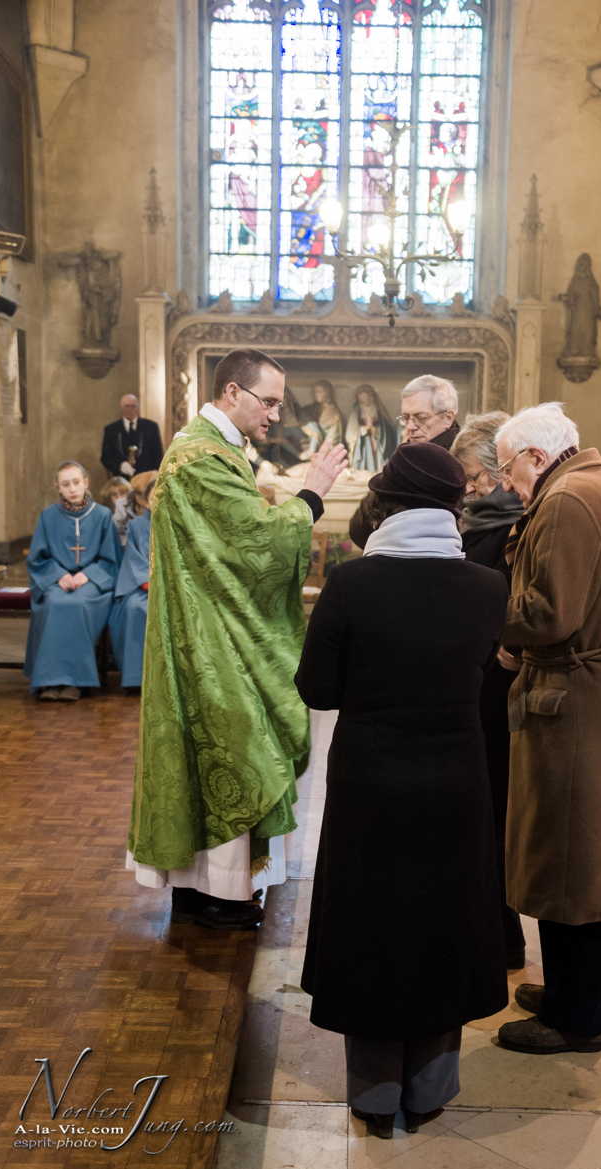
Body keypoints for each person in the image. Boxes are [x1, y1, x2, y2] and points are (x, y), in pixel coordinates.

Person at [296, 442, 509, 1139]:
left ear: (384, 504)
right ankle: (431, 1085)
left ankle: (377, 1090)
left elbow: (318, 688)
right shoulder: (485, 587)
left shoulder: (354, 584)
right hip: (456, 780)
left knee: (374, 924)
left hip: (371, 781)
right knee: (445, 920)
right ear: (454, 509)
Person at [127, 348, 347, 930]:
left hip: (213, 628)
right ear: (231, 393)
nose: (276, 414)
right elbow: (255, 542)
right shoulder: (202, 457)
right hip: (212, 641)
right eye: (269, 400)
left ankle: (206, 891)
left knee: (218, 757)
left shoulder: (215, 450)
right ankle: (218, 894)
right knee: (238, 751)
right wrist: (313, 494)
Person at [493, 402, 601, 1055]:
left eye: (508, 470)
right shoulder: (592, 486)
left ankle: (579, 1018)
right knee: (577, 856)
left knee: (574, 858)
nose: (507, 484)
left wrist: (488, 611)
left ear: (536, 456)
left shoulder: (566, 500)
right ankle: (568, 991)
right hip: (599, 699)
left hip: (582, 705)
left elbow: (547, 614)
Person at [452, 413, 526, 970]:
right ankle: (489, 933)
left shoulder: (516, 526)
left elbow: (520, 599)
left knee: (495, 811)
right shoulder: (481, 521)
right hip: (476, 680)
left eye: (476, 476)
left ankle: (502, 938)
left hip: (500, 686)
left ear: (503, 472)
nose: (472, 487)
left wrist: (509, 641)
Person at [24, 460, 120, 702]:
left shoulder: (102, 516)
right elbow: (38, 559)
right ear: (58, 487)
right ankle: (49, 681)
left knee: (76, 604)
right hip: (57, 582)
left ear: (86, 483)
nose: (72, 489)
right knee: (55, 603)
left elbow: (111, 560)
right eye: (66, 484)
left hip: (93, 584)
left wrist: (86, 575)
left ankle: (74, 682)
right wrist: (60, 575)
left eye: (76, 482)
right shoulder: (47, 517)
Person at [348, 375, 460, 548]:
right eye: (406, 418)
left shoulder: (462, 459)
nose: (410, 426)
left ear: (448, 418)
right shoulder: (406, 458)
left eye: (420, 417)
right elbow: (359, 528)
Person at [109, 479, 156, 693]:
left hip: (173, 589)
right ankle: (136, 679)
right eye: (155, 495)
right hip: (142, 587)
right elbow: (134, 559)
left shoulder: (181, 526)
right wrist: (149, 583)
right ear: (146, 501)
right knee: (136, 609)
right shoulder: (137, 525)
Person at [100, 394, 164, 478]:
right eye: (127, 406)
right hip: (121, 479)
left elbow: (158, 455)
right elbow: (106, 458)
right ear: (121, 407)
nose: (130, 409)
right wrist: (120, 465)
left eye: (133, 406)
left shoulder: (151, 427)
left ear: (137, 407)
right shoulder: (111, 429)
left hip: (146, 478)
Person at [344, 385, 398, 472]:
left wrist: (375, 430)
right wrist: (363, 430)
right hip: (362, 442)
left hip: (376, 440)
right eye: (362, 396)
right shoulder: (356, 411)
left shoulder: (378, 410)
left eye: (368, 396)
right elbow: (351, 431)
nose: (366, 398)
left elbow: (386, 428)